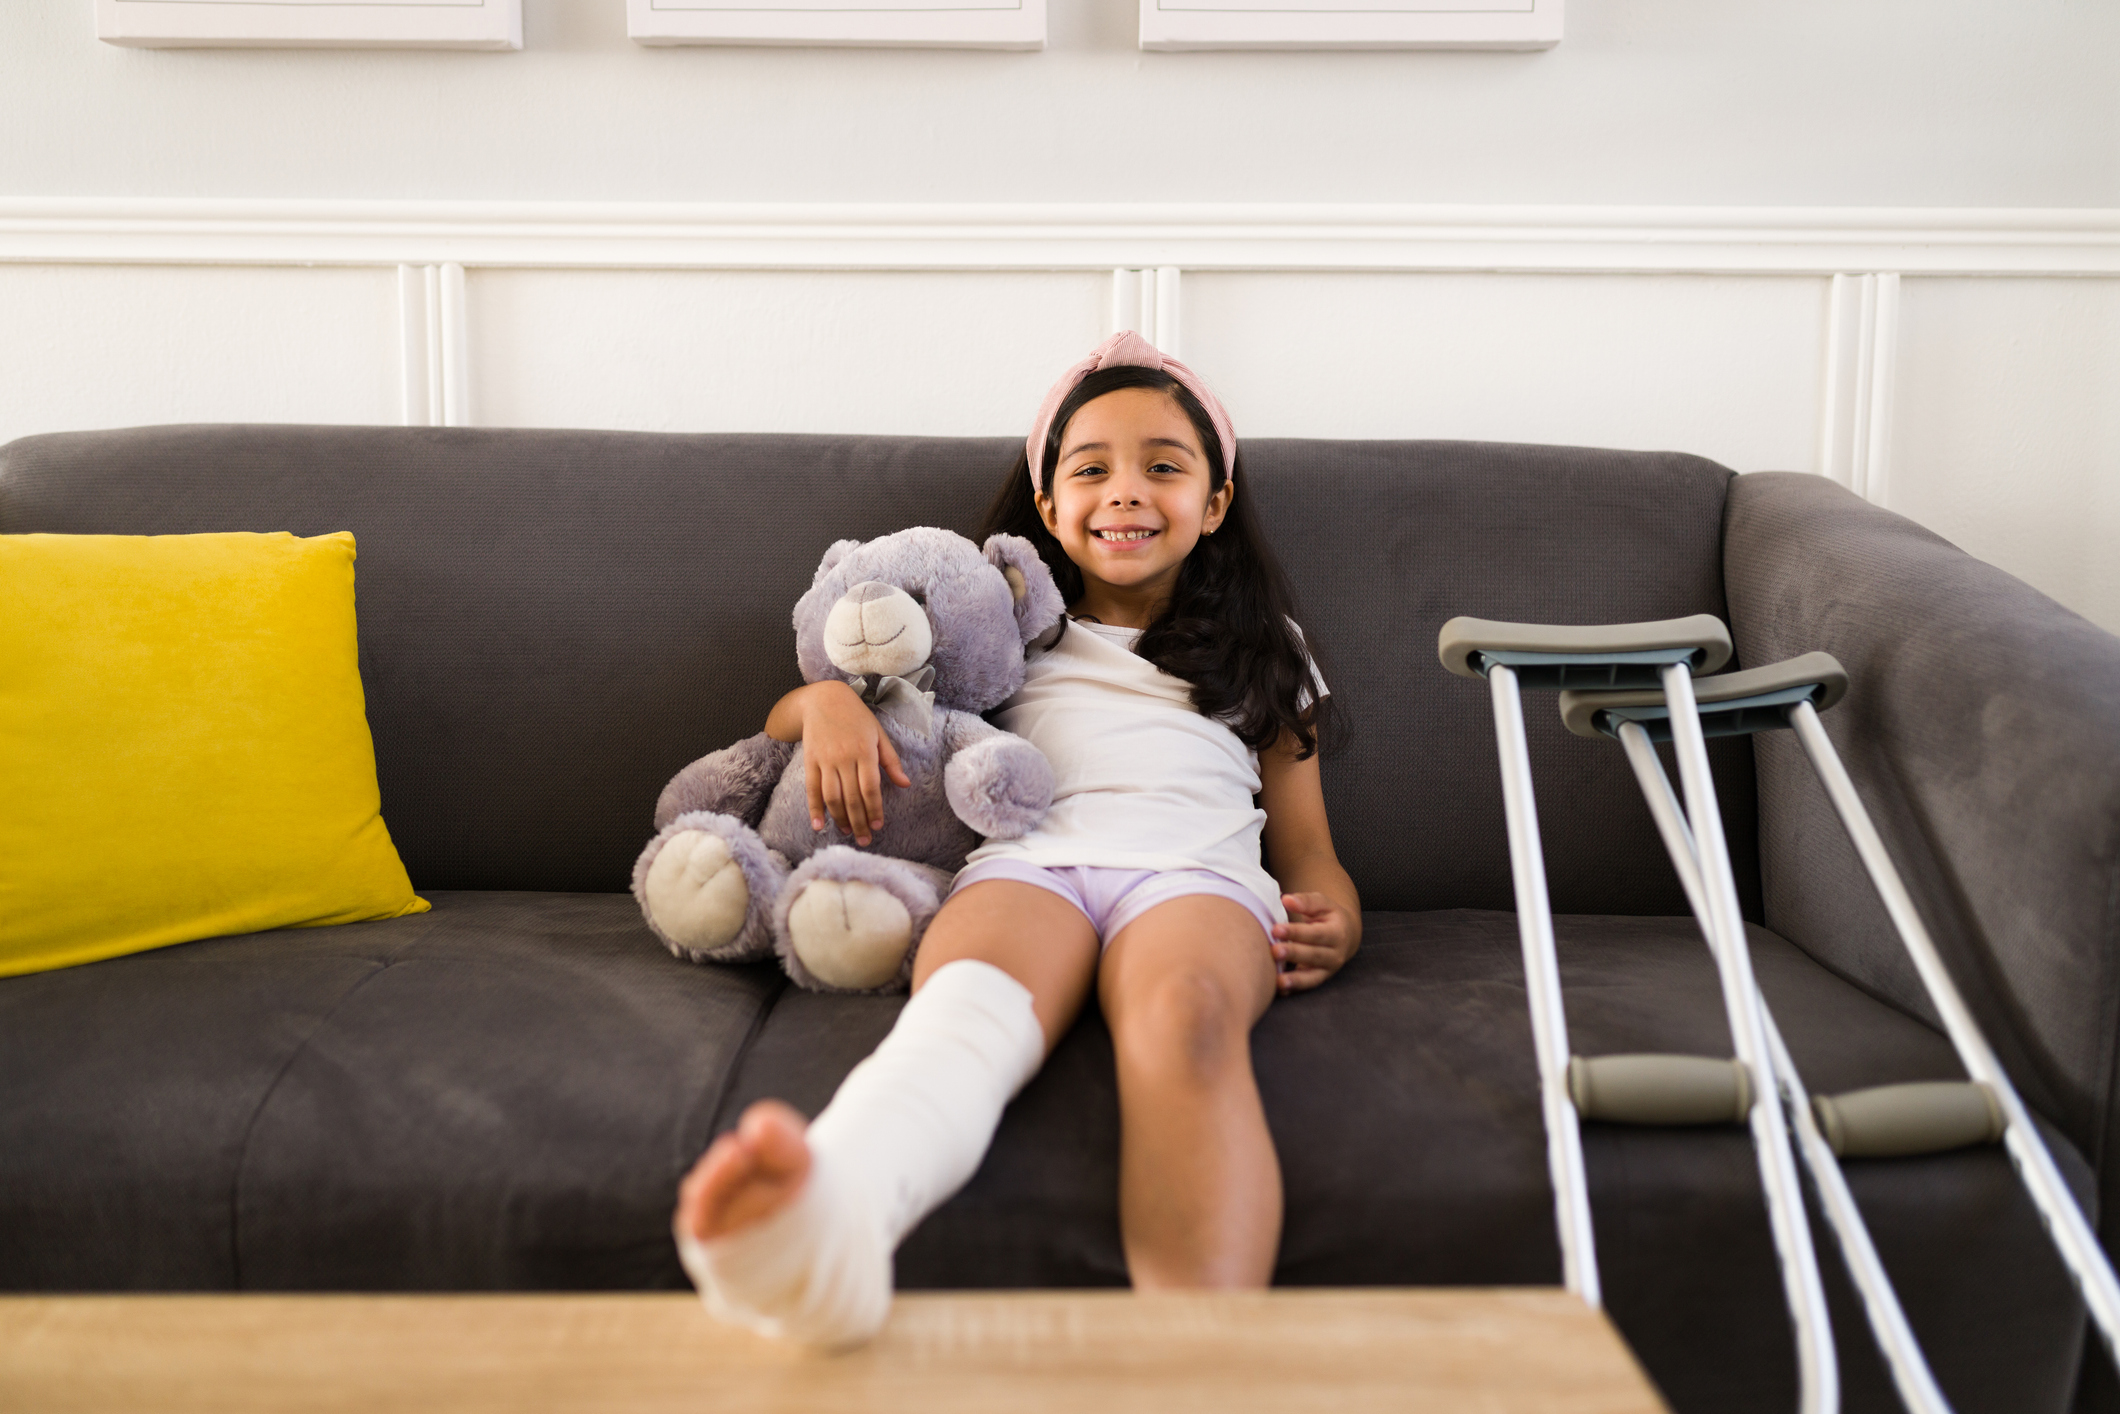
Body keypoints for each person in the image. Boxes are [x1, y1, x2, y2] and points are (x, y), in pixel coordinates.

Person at [670, 332, 1362, 1347]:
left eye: (1162, 467)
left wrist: (1335, 914)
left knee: (1184, 1019)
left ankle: (1197, 1358)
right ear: (1046, 506)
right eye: (1090, 470)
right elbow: (838, 704)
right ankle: (834, 1229)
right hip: (1027, 864)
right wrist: (821, 702)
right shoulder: (996, 632)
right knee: (959, 1015)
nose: (1123, 492)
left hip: (1194, 875)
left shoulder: (1266, 654)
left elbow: (1304, 844)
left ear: (1213, 503)